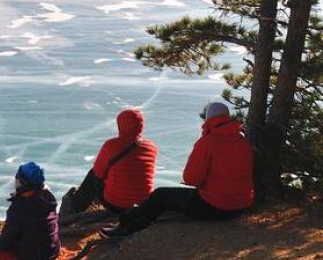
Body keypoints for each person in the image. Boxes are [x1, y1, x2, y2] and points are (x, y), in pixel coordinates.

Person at [100, 102, 254, 239]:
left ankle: (127, 226)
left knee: (161, 195)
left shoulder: (207, 142)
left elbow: (191, 179)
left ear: (208, 119)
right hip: (242, 205)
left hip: (215, 206)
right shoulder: (242, 139)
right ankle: (130, 221)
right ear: (227, 117)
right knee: (165, 197)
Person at [60, 109, 158, 217]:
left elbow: (98, 173)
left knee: (93, 174)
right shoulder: (151, 146)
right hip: (142, 203)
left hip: (115, 205)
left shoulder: (111, 145)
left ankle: (76, 208)